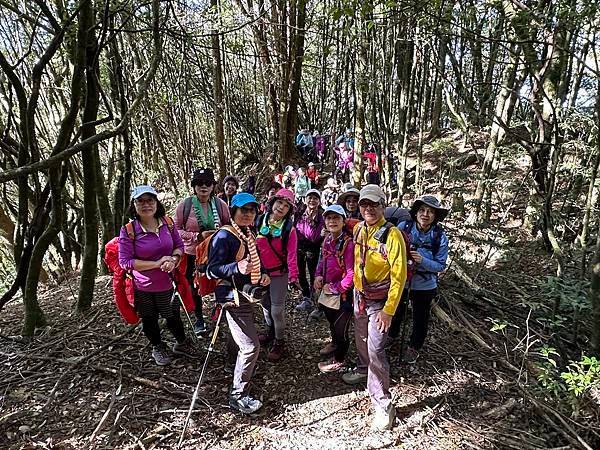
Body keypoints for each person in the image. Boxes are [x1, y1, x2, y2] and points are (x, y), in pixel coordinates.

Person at [342, 184, 407, 431]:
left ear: (383, 206)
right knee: (361, 340)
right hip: (360, 297)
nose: (368, 208)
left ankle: (383, 403)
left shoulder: (392, 235)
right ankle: (363, 371)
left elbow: (399, 276)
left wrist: (389, 310)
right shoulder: (358, 228)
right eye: (364, 204)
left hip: (381, 301)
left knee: (376, 348)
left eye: (374, 204)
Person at [118, 185, 198, 366]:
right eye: (141, 201)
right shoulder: (129, 230)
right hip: (143, 286)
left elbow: (179, 246)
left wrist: (173, 259)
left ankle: (181, 342)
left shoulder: (168, 223)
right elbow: (125, 261)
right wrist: (157, 263)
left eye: (150, 200)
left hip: (168, 283)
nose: (146, 205)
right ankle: (157, 346)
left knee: (173, 316)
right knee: (149, 318)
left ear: (156, 202)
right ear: (134, 205)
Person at [206, 193, 270, 414]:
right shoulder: (224, 236)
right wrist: (236, 267)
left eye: (252, 210)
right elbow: (211, 270)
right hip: (230, 296)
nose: (248, 214)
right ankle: (238, 394)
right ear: (233, 211)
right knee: (251, 346)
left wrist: (262, 275)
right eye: (244, 210)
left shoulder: (247, 233)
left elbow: (254, 263)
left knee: (241, 336)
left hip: (245, 292)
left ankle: (230, 362)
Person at [388, 195, 449, 363]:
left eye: (430, 211)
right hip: (401, 281)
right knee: (396, 311)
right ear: (415, 212)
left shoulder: (439, 236)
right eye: (422, 210)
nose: (425, 214)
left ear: (436, 216)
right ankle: (391, 336)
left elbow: (440, 265)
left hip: (425, 284)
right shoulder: (403, 227)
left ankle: (414, 347)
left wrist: (422, 261)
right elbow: (390, 250)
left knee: (420, 318)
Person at [174, 168, 230, 335]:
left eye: (207, 183)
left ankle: (219, 316)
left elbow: (229, 225)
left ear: (213, 186)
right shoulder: (185, 206)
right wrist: (197, 236)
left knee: (219, 283)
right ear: (194, 186)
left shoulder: (221, 205)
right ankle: (199, 319)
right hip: (192, 253)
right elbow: (175, 230)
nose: (203, 186)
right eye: (199, 183)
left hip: (216, 252)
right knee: (194, 286)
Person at [255, 188, 300, 361]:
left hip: (279, 274)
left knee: (276, 311)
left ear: (289, 211)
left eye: (286, 206)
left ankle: (279, 342)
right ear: (272, 203)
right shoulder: (259, 221)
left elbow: (292, 254)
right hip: (260, 273)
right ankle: (270, 333)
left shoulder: (289, 229)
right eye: (279, 202)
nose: (281, 207)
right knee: (265, 307)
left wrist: (293, 276)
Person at [315, 205, 355, 373]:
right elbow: (322, 261)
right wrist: (318, 275)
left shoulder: (349, 244)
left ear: (343, 221)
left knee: (341, 329)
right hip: (329, 291)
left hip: (344, 294)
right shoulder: (328, 240)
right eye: (329, 218)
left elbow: (352, 274)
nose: (332, 221)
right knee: (331, 321)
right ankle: (334, 344)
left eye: (336, 218)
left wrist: (336, 288)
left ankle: (340, 359)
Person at [294, 189, 325, 311]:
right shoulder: (299, 212)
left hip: (313, 247)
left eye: (315, 198)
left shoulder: (322, 215)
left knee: (313, 273)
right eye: (310, 198)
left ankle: (313, 296)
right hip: (300, 246)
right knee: (300, 272)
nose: (312, 200)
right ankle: (306, 296)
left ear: (319, 201)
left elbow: (319, 234)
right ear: (305, 200)